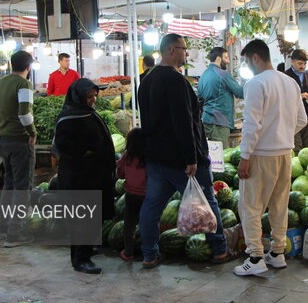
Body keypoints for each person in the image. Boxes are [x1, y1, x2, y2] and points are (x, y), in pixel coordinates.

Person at [138, 33, 229, 269]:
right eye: (183, 48)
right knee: (208, 202)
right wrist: (191, 158)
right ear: (170, 50)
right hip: (181, 160)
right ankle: (219, 250)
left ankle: (149, 254)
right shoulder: (176, 81)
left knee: (151, 207)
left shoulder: (146, 80)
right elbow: (183, 122)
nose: (186, 53)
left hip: (157, 157)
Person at [235, 40, 307, 276]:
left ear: (255, 58)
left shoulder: (256, 83)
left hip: (261, 155)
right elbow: (302, 121)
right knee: (279, 204)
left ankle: (255, 256)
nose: (248, 66)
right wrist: (282, 135)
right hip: (285, 154)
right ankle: (277, 252)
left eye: (247, 61)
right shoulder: (290, 82)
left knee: (251, 206)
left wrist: (245, 156)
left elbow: (251, 124)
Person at [52, 79, 116, 274]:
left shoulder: (87, 113)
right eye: (89, 96)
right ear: (78, 96)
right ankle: (80, 260)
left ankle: (87, 249)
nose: (92, 100)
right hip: (79, 178)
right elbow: (63, 146)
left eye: (94, 96)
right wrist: (85, 153)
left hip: (94, 176)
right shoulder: (69, 118)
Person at [0, 50, 37, 247]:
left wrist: (3, 121)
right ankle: (15, 234)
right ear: (28, 67)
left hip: (2, 139)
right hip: (19, 140)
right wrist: (32, 133)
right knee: (23, 187)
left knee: (9, 183)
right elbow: (25, 114)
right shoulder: (24, 84)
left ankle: (2, 226)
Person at [197, 47, 244, 148]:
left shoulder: (203, 76)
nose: (228, 61)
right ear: (218, 58)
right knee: (220, 156)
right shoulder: (223, 74)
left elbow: (199, 98)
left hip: (206, 121)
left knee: (210, 155)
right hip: (219, 123)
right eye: (226, 58)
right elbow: (240, 92)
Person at [116, 128, 146, 260]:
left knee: (129, 225)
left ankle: (128, 252)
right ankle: (150, 252)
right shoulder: (148, 159)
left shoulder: (126, 158)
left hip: (130, 195)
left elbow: (120, 174)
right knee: (148, 223)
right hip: (147, 196)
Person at [284, 50, 308, 153]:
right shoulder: (285, 77)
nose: (303, 66)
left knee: (306, 150)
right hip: (293, 119)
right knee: (296, 148)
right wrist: (300, 96)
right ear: (292, 62)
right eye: (300, 63)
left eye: (305, 63)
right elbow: (282, 97)